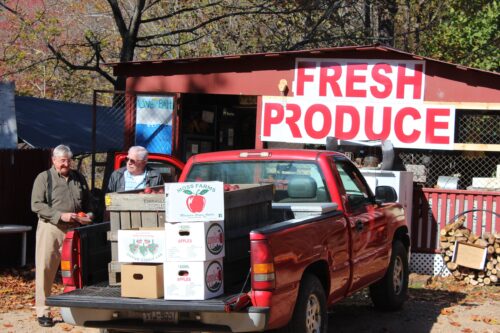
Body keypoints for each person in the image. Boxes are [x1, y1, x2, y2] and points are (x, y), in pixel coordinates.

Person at [31, 144, 93, 327]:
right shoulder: (44, 178)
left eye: (68, 160)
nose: (66, 164)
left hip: (75, 229)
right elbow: (36, 205)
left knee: (77, 270)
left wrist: (88, 216)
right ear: (54, 160)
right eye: (62, 160)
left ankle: (78, 309)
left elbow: (89, 202)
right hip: (51, 228)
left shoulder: (79, 178)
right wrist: (60, 215)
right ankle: (43, 311)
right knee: (45, 269)